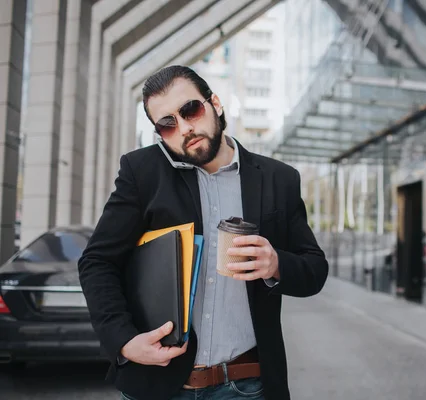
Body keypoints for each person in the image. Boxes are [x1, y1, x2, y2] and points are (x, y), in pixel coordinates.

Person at [78, 65, 329, 400]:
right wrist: (123, 340)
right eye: (167, 124)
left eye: (190, 110)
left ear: (215, 103)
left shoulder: (278, 179)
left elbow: (315, 268)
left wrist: (275, 264)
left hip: (247, 385)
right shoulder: (142, 172)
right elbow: (97, 262)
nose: (184, 128)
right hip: (159, 385)